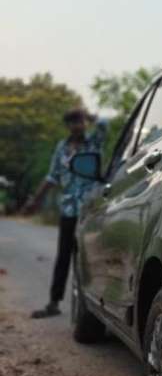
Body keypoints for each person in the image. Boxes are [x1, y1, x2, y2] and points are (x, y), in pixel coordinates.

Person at [24, 108, 108, 319]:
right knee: (64, 256)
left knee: (92, 256)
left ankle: (99, 305)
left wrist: (91, 117)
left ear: (84, 123)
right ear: (68, 126)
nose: (77, 125)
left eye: (80, 121)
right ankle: (53, 303)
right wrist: (36, 200)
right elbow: (52, 177)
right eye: (72, 122)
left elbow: (104, 125)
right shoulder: (62, 148)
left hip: (92, 209)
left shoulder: (93, 143)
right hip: (69, 209)